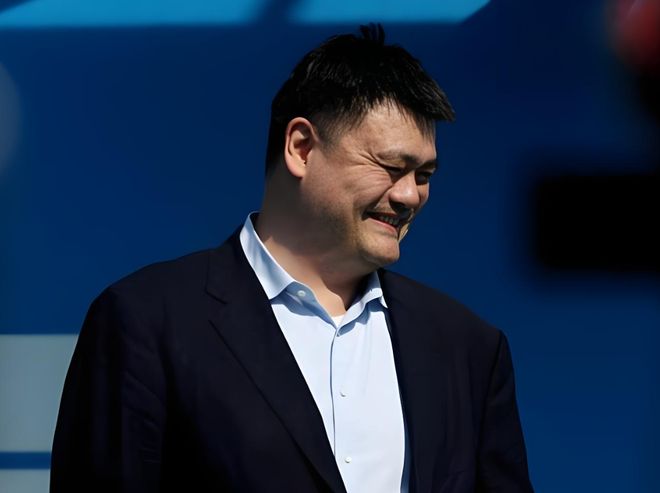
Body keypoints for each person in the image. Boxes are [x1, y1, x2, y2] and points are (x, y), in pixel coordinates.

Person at [51, 25, 533, 493]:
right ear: (301, 148)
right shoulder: (148, 321)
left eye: (424, 175)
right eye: (391, 166)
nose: (410, 195)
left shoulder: (467, 348)